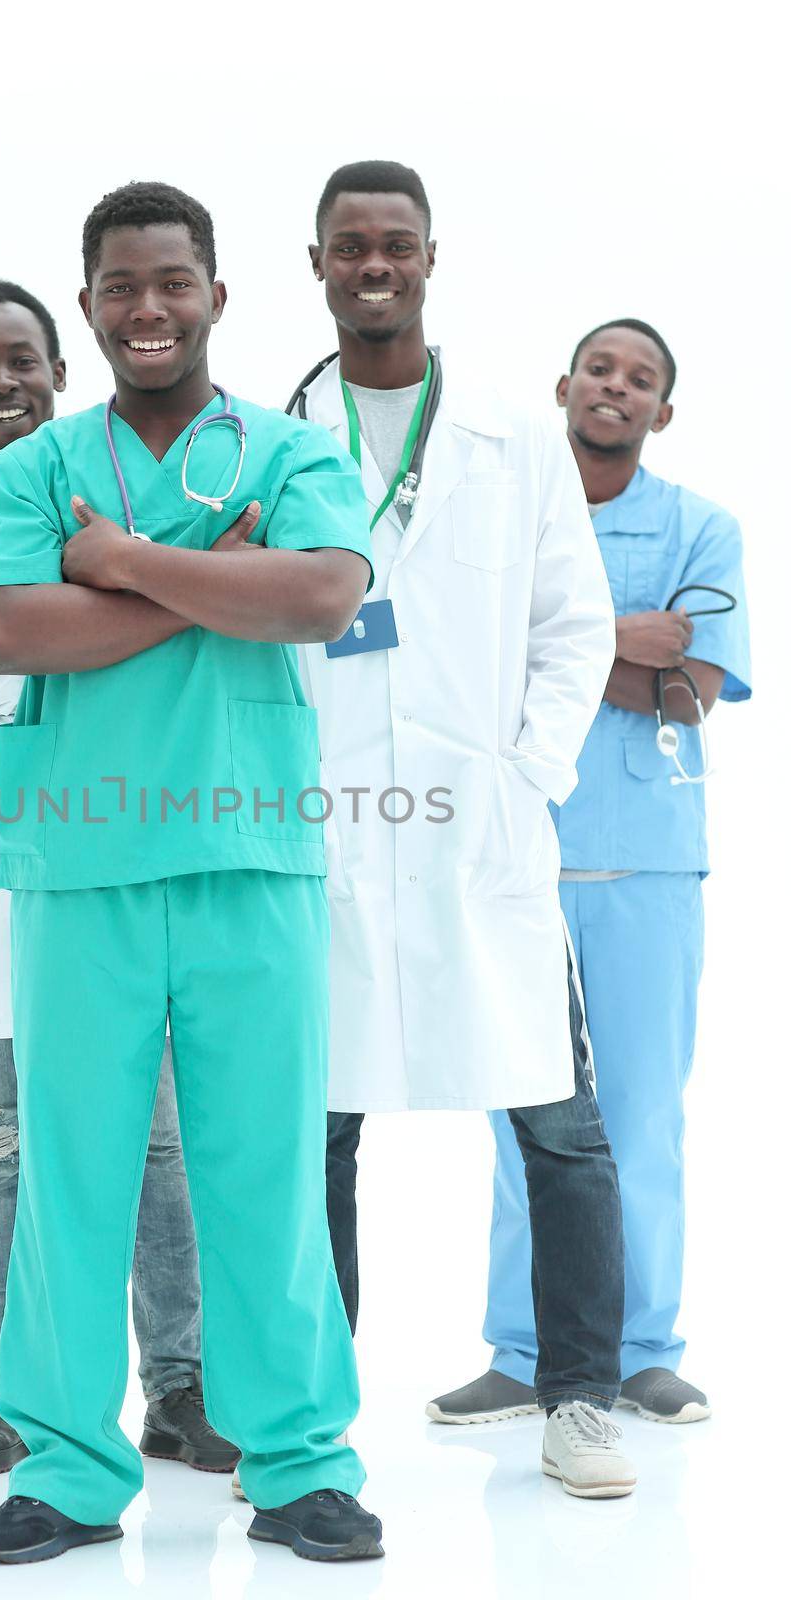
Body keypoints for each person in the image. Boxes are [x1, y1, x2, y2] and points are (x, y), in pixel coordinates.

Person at [0, 181, 383, 1564]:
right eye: (121, 287)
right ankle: (71, 1472)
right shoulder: (32, 468)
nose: (149, 309)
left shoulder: (284, 444)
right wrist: (210, 578)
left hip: (249, 853)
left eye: (173, 282)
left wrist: (124, 565)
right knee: (70, 1174)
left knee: (262, 1167)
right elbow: (11, 630)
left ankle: (301, 1461)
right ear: (88, 307)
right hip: (81, 863)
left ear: (214, 295)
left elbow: (321, 595)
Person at [290, 161, 636, 1498]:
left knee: (557, 1123)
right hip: (326, 830)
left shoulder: (505, 433)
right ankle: (306, 1419)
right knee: (310, 1126)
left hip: (485, 835)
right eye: (347, 249)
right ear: (314, 264)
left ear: (429, 258)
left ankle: (579, 1402)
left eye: (394, 246)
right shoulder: (269, 439)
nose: (371, 267)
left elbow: (574, 624)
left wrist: (524, 778)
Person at [0, 278, 233, 1477]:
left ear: (57, 366)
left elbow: (187, 628)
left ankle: (178, 1388)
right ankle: (4, 1391)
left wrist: (47, 627)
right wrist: (74, 640)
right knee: (0, 1143)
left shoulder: (122, 490)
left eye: (21, 357)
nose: (3, 381)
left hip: (115, 852)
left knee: (159, 1142)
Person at [474, 319, 751, 1424]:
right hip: (517, 862)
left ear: (660, 413)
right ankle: (519, 1348)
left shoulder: (699, 528)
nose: (615, 387)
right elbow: (470, 670)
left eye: (640, 379)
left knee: (639, 1117)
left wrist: (557, 644)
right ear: (562, 386)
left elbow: (695, 687)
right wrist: (618, 638)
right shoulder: (504, 527)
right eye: (600, 368)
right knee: (520, 1121)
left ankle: (639, 1347)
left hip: (643, 865)